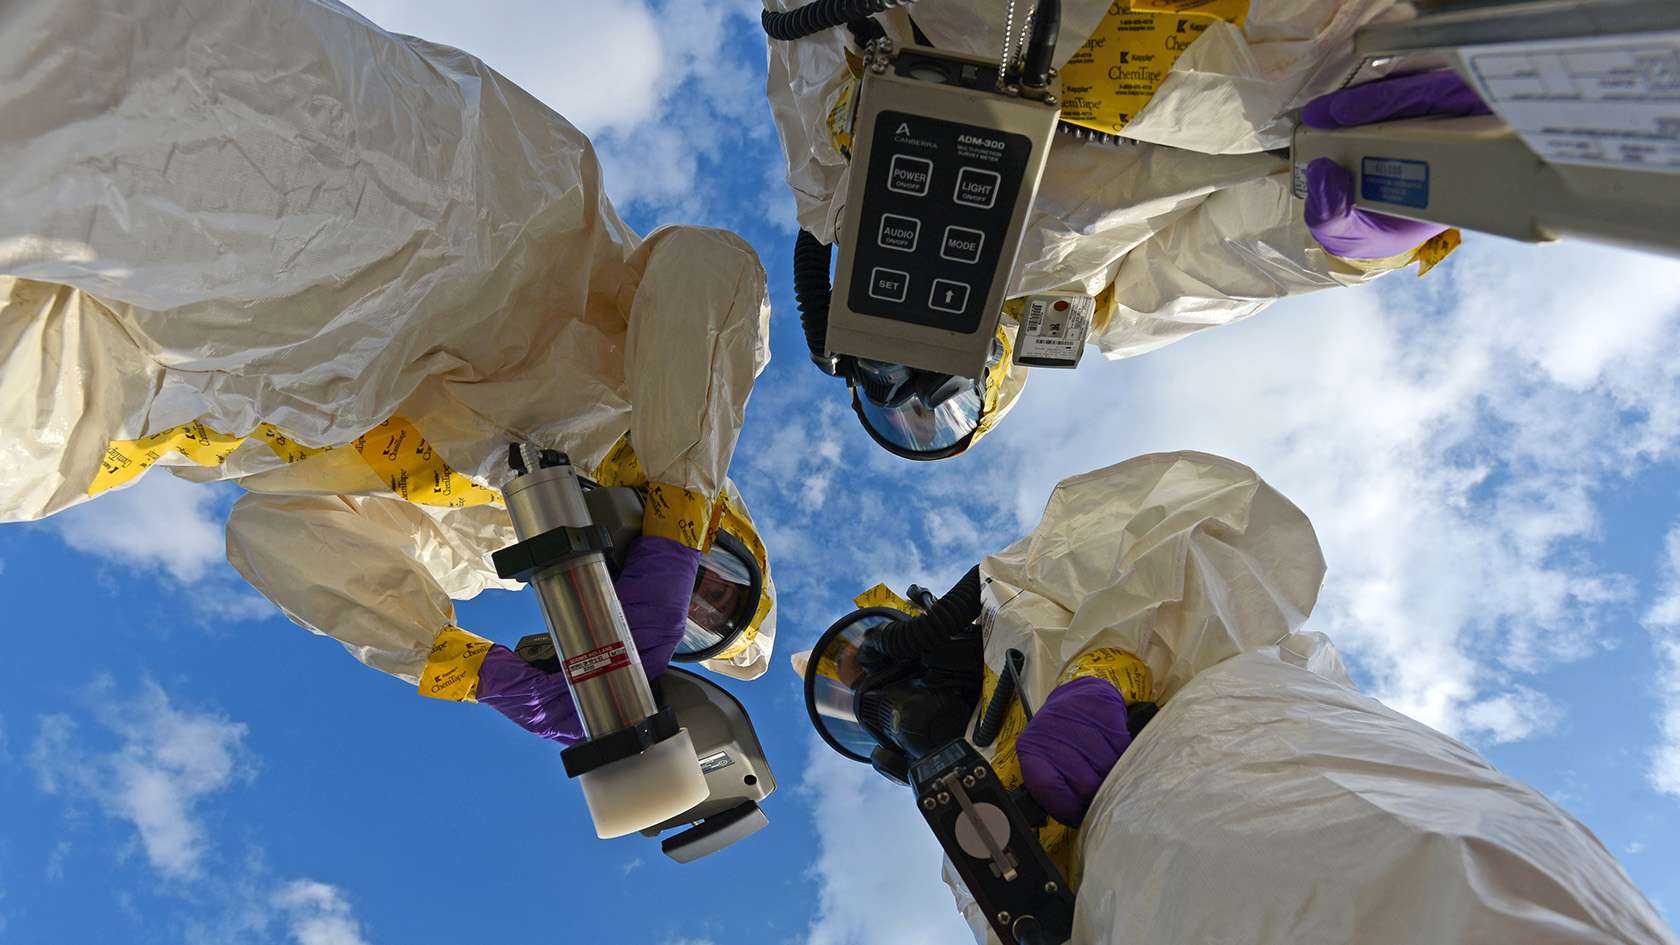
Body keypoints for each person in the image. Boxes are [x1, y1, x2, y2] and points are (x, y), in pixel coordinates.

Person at [0, 0, 777, 744]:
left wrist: (455, 662)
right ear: (731, 532)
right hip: (402, 221)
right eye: (719, 580)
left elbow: (272, 531)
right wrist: (677, 512)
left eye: (700, 622)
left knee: (16, 466)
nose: (695, 594)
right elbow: (708, 267)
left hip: (198, 388)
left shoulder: (477, 551)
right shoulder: (670, 395)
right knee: (74, 95)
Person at [798, 452, 1675, 944]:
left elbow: (1212, 529)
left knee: (1413, 894)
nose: (879, 701)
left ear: (912, 623)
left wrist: (1109, 671)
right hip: (1106, 912)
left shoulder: (1027, 596)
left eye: (865, 662)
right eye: (854, 713)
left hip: (1224, 756)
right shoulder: (968, 820)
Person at [762, 0, 1488, 459]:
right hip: (1198, 64)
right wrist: (1341, 238)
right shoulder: (1100, 307)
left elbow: (804, 37)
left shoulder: (837, 195)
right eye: (941, 413)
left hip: (986, 27)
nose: (915, 385)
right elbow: (1227, 258)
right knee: (1352, 68)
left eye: (888, 388)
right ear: (993, 398)